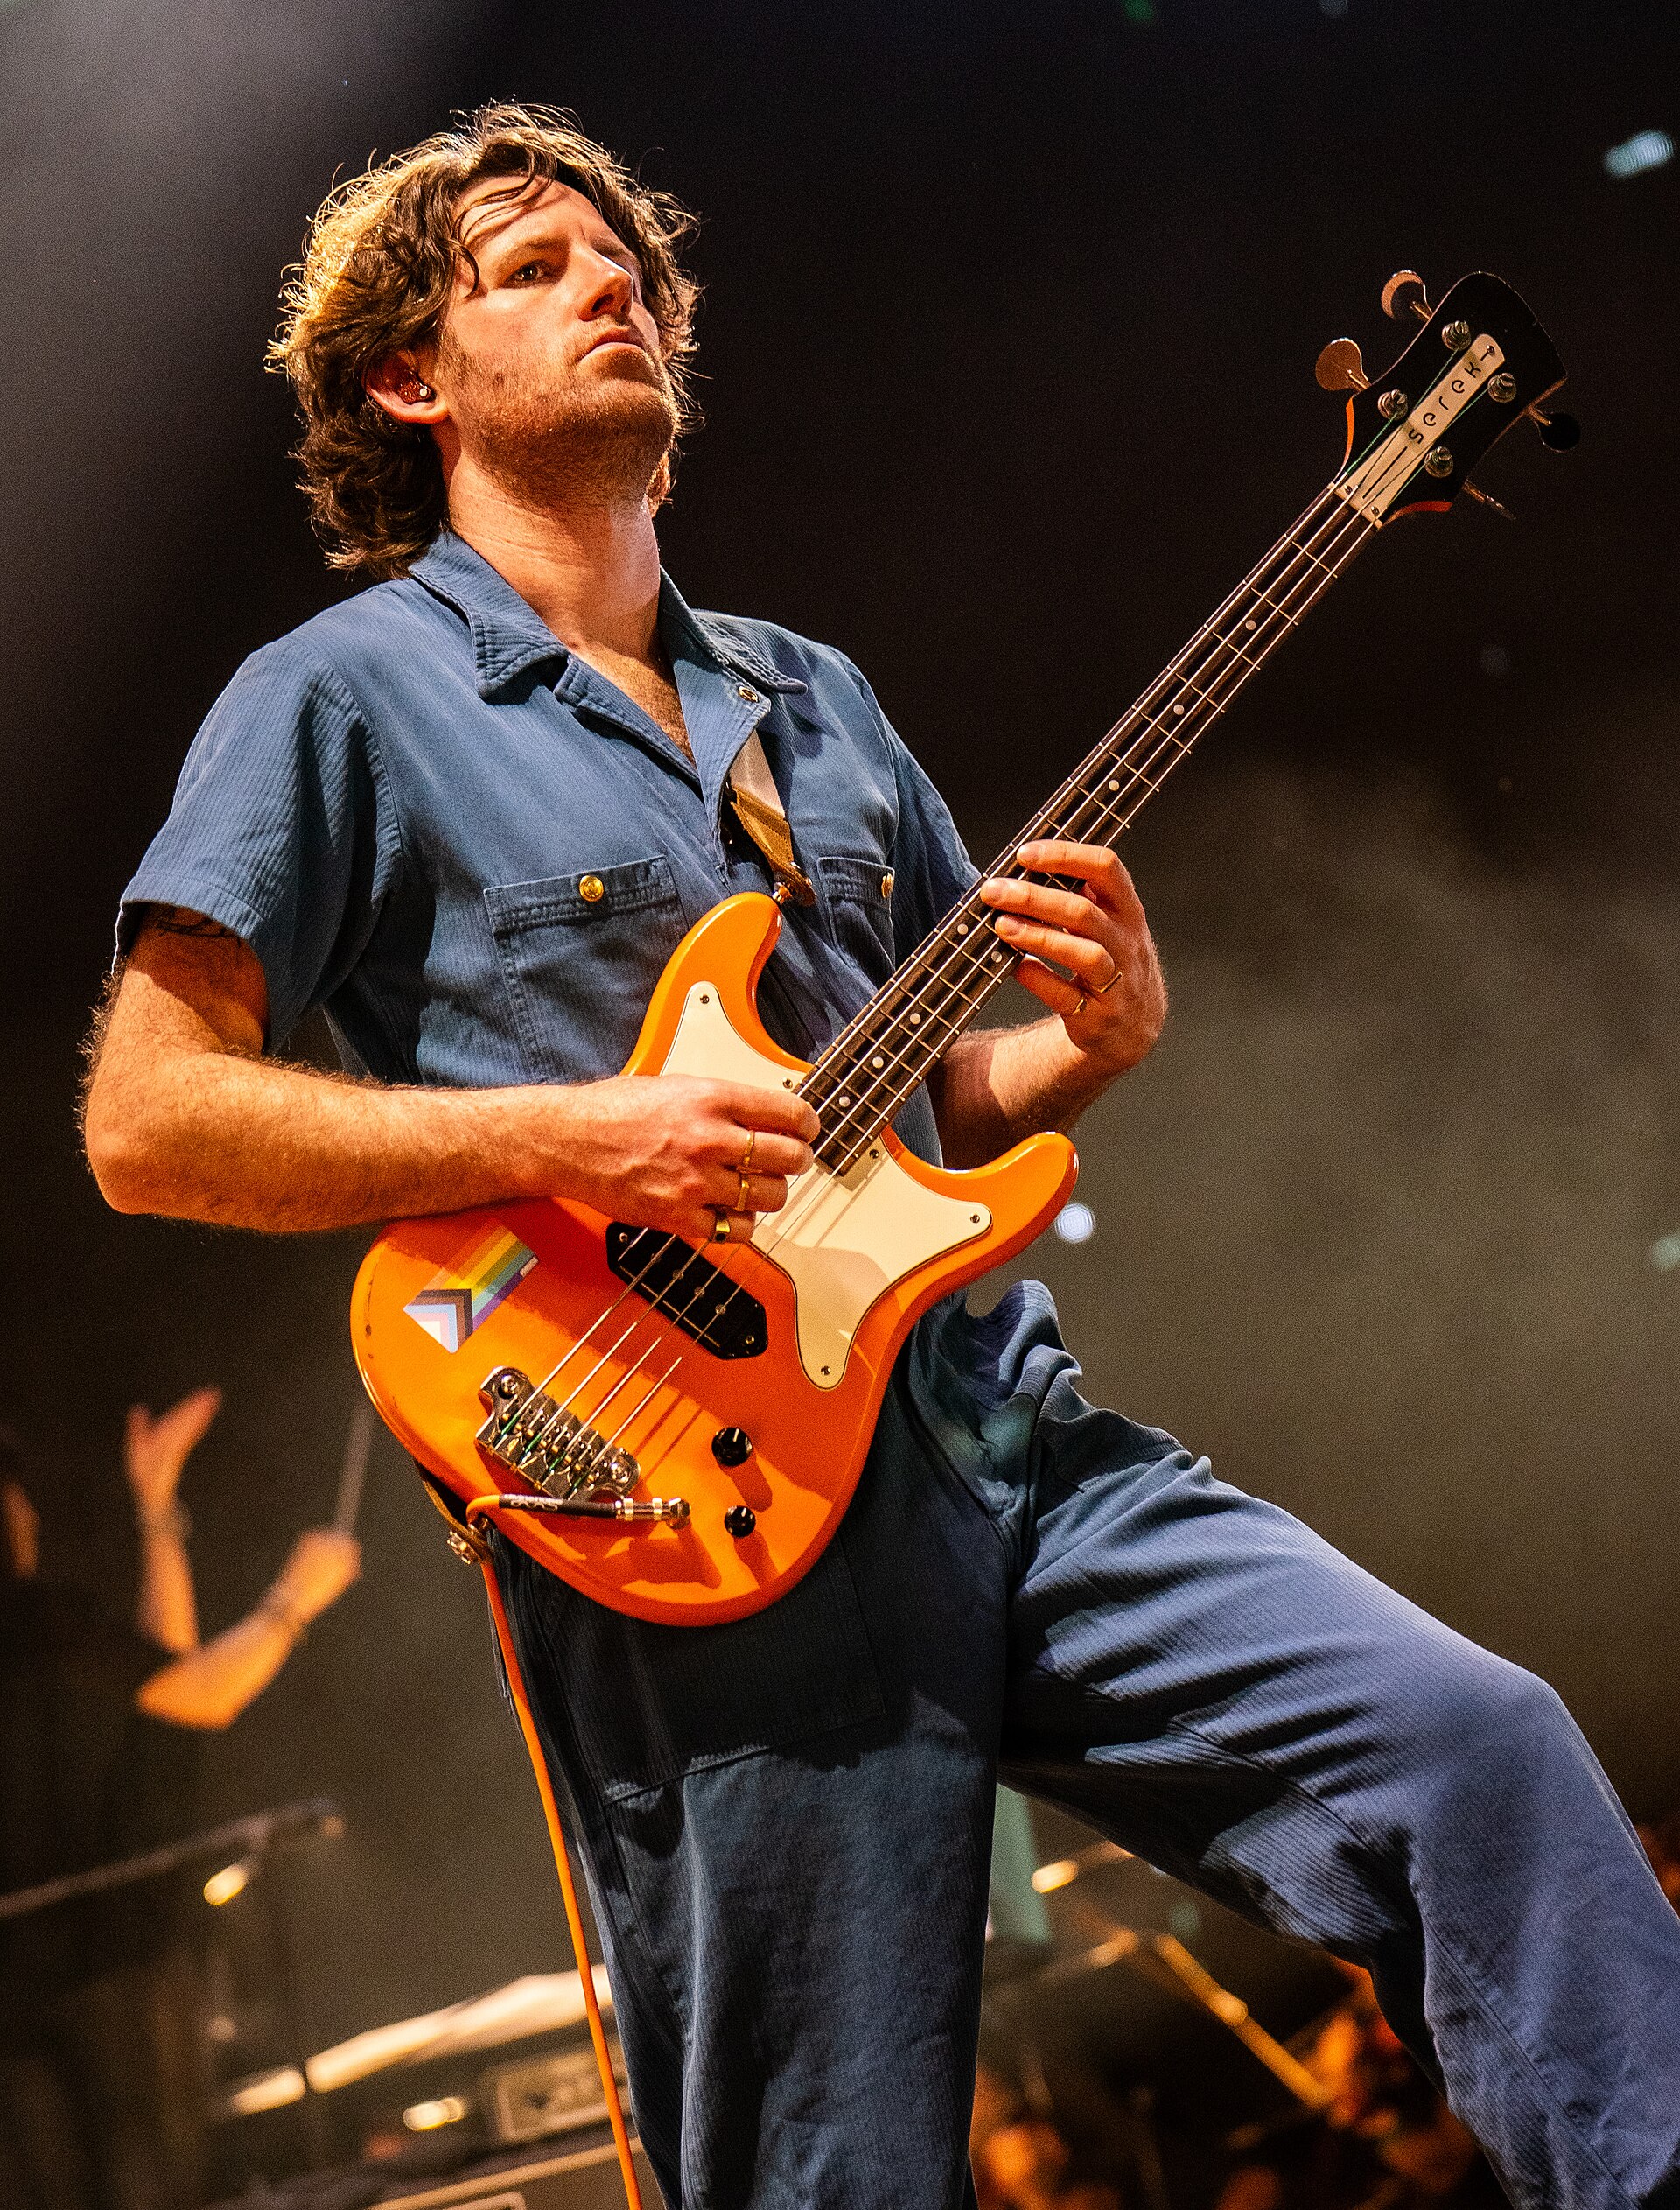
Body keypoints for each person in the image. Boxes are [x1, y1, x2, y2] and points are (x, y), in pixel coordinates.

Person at [78, 104, 1680, 2210]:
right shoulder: (341, 701)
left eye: (626, 257)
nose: (612, 283)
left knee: (1479, 1753)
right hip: (685, 1493)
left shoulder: (812, 698)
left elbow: (912, 1120)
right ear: (409, 376)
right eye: (533, 267)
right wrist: (593, 1126)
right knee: (830, 2169)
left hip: (994, 1437)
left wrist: (1086, 1048)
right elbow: (150, 1119)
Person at [0, 1398, 360, 2210]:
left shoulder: (43, 1640)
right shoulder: (34, 1627)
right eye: (12, 1495)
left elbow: (155, 1675)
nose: (28, 1512)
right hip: (110, 1976)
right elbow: (199, 1692)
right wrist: (298, 1594)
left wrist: (158, 1510)